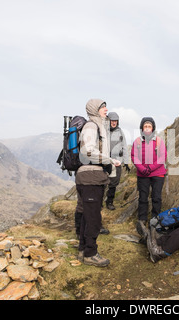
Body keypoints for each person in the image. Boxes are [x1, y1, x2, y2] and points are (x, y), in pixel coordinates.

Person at [75, 98, 121, 267]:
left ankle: (83, 249)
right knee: (93, 218)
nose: (106, 109)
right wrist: (109, 160)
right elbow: (87, 151)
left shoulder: (98, 126)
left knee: (88, 216)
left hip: (92, 177)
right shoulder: (91, 126)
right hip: (90, 178)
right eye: (103, 107)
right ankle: (90, 253)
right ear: (95, 109)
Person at [131, 117, 167, 240]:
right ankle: (142, 220)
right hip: (143, 175)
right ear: (142, 128)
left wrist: (150, 168)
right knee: (143, 197)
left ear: (153, 128)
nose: (147, 128)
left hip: (157, 174)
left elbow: (162, 157)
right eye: (145, 126)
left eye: (149, 126)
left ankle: (155, 220)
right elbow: (134, 157)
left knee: (156, 197)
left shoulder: (159, 141)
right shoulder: (137, 142)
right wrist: (142, 169)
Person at [105, 112, 130, 210]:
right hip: (105, 161)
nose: (114, 123)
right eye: (112, 121)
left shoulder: (120, 132)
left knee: (114, 183)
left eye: (115, 121)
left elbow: (124, 146)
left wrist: (126, 162)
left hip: (117, 162)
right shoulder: (104, 131)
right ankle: (99, 202)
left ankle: (109, 202)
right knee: (102, 182)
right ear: (108, 121)